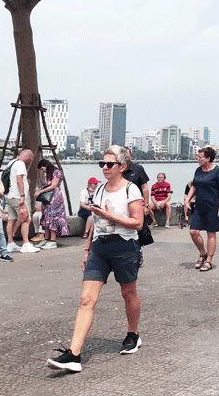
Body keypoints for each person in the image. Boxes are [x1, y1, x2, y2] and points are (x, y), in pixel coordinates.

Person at [47, 145, 144, 372]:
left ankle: (133, 334)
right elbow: (97, 224)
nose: (105, 168)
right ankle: (74, 354)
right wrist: (87, 250)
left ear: (122, 166)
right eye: (102, 164)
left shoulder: (131, 191)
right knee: (86, 300)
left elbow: (138, 223)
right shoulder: (99, 190)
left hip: (124, 247)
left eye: (110, 164)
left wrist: (109, 215)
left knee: (128, 292)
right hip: (100, 248)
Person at [184, 147, 219, 272]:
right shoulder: (198, 170)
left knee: (210, 233)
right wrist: (187, 200)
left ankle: (209, 260)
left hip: (213, 207)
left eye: (200, 157)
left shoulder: (218, 171)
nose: (197, 159)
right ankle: (202, 253)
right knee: (193, 232)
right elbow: (194, 186)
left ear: (208, 158)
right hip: (199, 206)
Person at [5, 149, 38, 253]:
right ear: (28, 156)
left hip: (9, 196)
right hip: (17, 196)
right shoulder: (20, 164)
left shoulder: (11, 162)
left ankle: (10, 243)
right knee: (26, 219)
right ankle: (26, 244)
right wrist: (22, 195)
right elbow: (19, 180)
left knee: (11, 219)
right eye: (30, 158)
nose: (30, 160)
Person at [35, 159, 69, 249]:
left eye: (42, 169)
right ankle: (47, 239)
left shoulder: (56, 172)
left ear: (46, 165)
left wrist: (40, 191)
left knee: (52, 218)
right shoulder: (49, 174)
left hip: (55, 198)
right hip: (47, 200)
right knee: (46, 218)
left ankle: (52, 240)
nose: (42, 171)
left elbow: (54, 185)